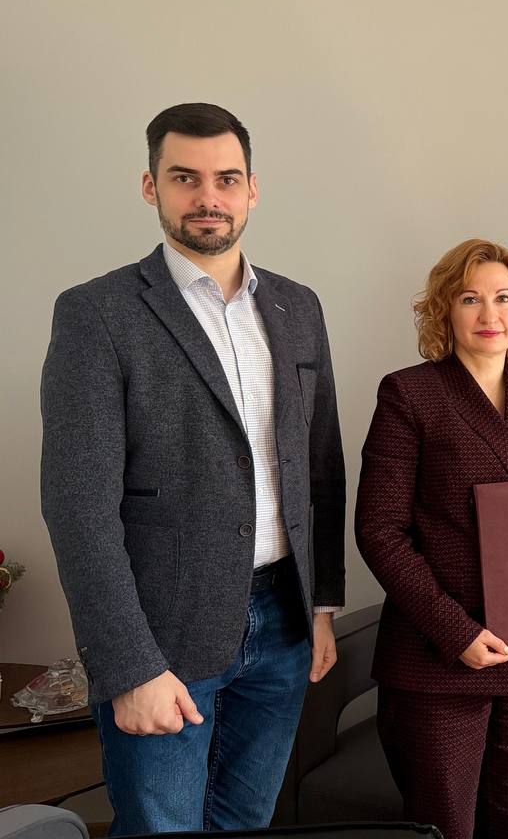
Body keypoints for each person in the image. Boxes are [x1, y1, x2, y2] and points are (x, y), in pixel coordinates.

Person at [40, 103, 346, 834]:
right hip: (162, 634)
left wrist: (322, 606)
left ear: (252, 190)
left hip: (284, 621)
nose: (208, 197)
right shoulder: (97, 314)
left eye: (226, 179)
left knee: (245, 821)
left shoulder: (298, 307)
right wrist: (129, 665)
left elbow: (321, 467)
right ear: (151, 186)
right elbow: (78, 507)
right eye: (185, 178)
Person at [355, 238, 508, 839]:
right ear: (445, 310)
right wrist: (456, 632)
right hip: (438, 665)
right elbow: (379, 530)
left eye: (503, 298)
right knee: (445, 828)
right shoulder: (409, 393)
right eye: (470, 299)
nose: (489, 314)